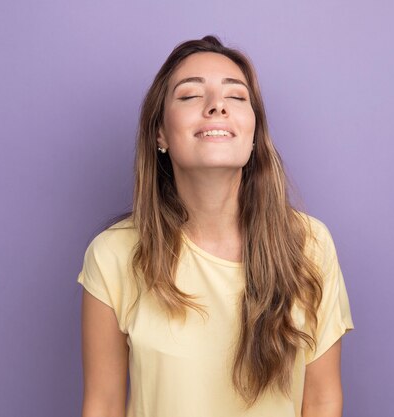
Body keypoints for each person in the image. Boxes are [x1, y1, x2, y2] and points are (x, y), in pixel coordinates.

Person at [77, 35, 354, 417]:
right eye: (191, 96)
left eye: (237, 97)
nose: (217, 107)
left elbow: (321, 401)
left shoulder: (309, 245)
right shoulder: (113, 254)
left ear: (254, 132)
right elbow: (103, 405)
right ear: (160, 133)